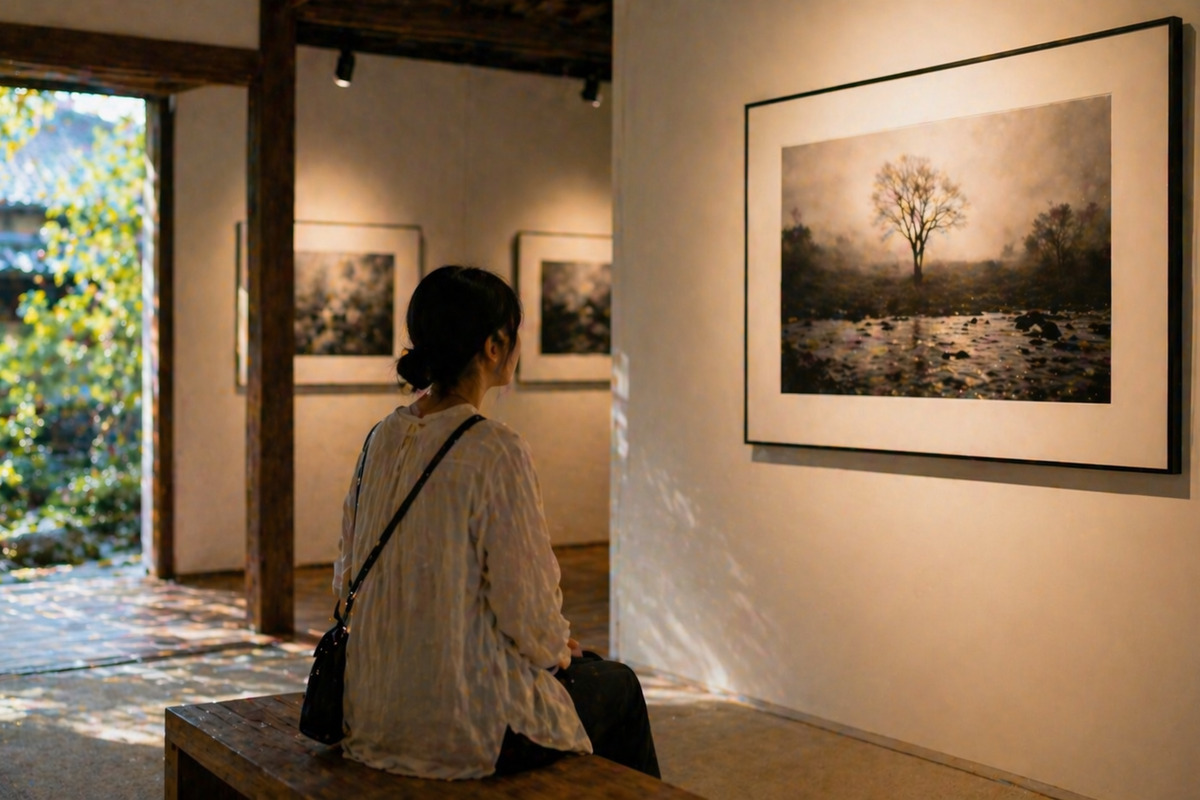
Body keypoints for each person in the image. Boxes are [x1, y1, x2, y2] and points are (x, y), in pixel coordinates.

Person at [334, 265, 660, 780]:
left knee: (586, 669)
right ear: (493, 346)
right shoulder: (494, 449)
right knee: (617, 684)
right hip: (458, 725)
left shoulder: (381, 437)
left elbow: (347, 574)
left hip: (369, 707)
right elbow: (526, 607)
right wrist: (556, 649)